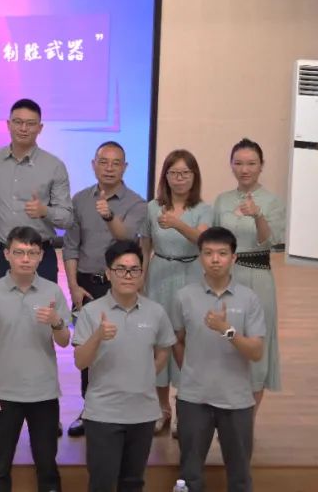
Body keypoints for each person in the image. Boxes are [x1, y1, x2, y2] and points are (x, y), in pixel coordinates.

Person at [0, 227, 70, 492]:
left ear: (41, 256)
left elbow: (64, 341)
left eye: (32, 253)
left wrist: (56, 321)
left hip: (44, 393)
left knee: (47, 466)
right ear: (7, 254)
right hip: (3, 393)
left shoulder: (52, 292)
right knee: (0, 466)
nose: (25, 259)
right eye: (19, 252)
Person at [73, 240, 175, 492]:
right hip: (103, 414)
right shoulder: (91, 312)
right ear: (108, 273)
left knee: (133, 482)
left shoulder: (156, 312)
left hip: (143, 413)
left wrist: (147, 374)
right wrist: (98, 336)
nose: (128, 275)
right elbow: (80, 361)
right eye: (121, 269)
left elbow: (164, 348)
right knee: (102, 483)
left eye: (134, 269)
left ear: (142, 273)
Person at [62, 141, 148, 437]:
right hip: (87, 286)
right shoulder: (79, 200)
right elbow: (71, 246)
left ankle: (123, 410)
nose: (109, 168)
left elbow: (128, 237)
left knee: (121, 348)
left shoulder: (136, 203)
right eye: (103, 162)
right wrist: (73, 286)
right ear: (93, 165)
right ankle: (90, 411)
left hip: (121, 286)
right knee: (88, 349)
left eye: (116, 163)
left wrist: (109, 215)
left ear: (125, 167)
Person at [171, 227, 266, 492]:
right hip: (193, 399)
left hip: (236, 400)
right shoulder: (183, 297)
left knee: (240, 477)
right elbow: (177, 340)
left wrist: (227, 330)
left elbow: (256, 352)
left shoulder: (249, 299)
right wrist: (191, 370)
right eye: (208, 253)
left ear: (233, 258)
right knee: (189, 476)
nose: (215, 259)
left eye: (222, 253)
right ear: (200, 257)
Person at [139, 149, 212, 435]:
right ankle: (162, 408)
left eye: (185, 173)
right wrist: (142, 277)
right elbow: (145, 244)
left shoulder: (203, 208)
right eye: (173, 173)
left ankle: (185, 409)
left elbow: (203, 239)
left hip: (191, 274)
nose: (179, 179)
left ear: (194, 177)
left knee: (187, 342)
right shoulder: (152, 207)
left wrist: (178, 223)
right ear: (165, 177)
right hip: (159, 274)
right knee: (159, 342)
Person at [212, 138, 285, 409]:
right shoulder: (222, 200)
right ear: (231, 165)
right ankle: (225, 410)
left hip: (257, 276)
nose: (245, 170)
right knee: (225, 339)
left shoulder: (272, 201)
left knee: (255, 341)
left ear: (261, 166)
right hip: (224, 277)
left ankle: (248, 420)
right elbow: (214, 239)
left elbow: (269, 241)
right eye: (239, 163)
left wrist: (257, 216)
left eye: (251, 164)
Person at [0, 99, 73, 285]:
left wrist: (45, 211)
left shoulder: (54, 166)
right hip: (0, 255)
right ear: (8, 124)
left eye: (30, 124)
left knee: (42, 305)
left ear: (40, 128)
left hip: (39, 255)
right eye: (18, 122)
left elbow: (67, 218)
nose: (23, 128)